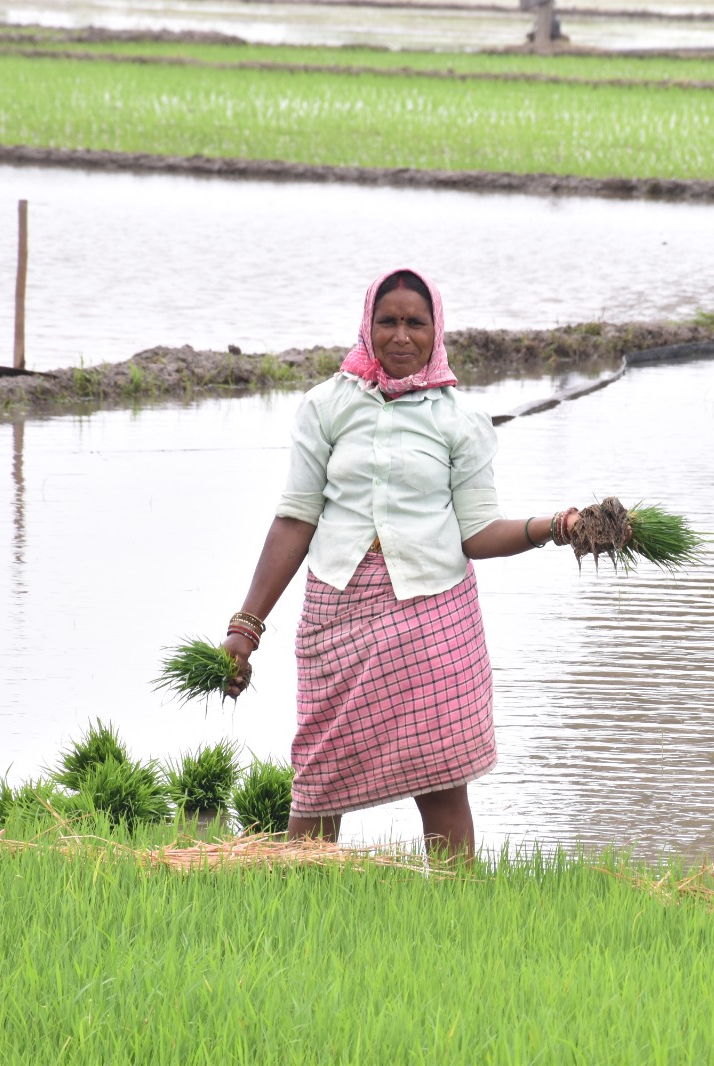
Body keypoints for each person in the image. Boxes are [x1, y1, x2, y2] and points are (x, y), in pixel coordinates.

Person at [220, 266, 588, 859]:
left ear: (436, 331)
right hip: (337, 613)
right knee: (318, 781)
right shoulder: (326, 406)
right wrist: (246, 626)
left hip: (432, 615)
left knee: (441, 779)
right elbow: (295, 520)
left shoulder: (459, 420)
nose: (400, 336)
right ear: (366, 328)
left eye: (416, 323)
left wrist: (558, 527)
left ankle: (456, 902)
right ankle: (300, 894)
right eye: (387, 321)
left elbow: (478, 533)